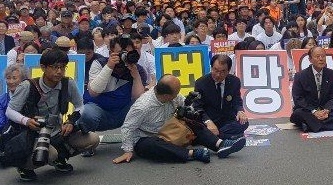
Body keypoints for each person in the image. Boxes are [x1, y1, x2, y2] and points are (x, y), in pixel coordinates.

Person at [5, 48, 99, 181]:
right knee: (50, 154)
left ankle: (59, 160)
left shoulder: (68, 83)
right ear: (43, 67)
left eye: (62, 67)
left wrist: (71, 121)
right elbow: (10, 111)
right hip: (34, 135)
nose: (59, 71)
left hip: (58, 132)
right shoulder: (28, 86)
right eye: (55, 67)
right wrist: (26, 121)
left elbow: (80, 106)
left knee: (93, 140)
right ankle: (24, 166)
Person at [113, 75, 246, 164]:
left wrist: (191, 109)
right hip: (148, 136)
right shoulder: (142, 106)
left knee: (193, 121)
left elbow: (184, 103)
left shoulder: (171, 95)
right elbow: (128, 127)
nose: (178, 95)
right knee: (149, 145)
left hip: (171, 129)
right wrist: (127, 150)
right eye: (176, 93)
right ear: (166, 95)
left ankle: (220, 145)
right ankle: (192, 154)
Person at [76, 34, 148, 154]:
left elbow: (138, 99)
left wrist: (135, 76)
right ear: (111, 53)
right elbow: (94, 92)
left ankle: (138, 141)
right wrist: (109, 66)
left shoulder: (138, 69)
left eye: (128, 53)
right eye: (121, 53)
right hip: (98, 112)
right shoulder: (99, 63)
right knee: (86, 113)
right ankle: (86, 143)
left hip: (123, 113)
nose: (125, 56)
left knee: (143, 105)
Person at [290, 46, 333, 132]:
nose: (321, 59)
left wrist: (326, 110)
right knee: (298, 113)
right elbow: (298, 99)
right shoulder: (300, 76)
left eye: (323, 56)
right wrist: (314, 111)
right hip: (308, 110)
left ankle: (310, 125)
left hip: (324, 110)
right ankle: (332, 126)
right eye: (317, 57)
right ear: (310, 59)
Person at [193, 55, 249, 139]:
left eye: (223, 71)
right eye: (215, 70)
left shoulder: (235, 81)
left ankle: (215, 137)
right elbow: (197, 106)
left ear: (228, 71)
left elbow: (236, 100)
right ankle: (227, 137)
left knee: (244, 123)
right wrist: (208, 121)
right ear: (211, 68)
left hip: (226, 119)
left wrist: (240, 111)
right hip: (209, 119)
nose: (218, 75)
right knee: (196, 127)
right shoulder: (201, 83)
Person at [0, 64, 27, 130]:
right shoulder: (2, 100)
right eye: (8, 78)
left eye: (14, 78)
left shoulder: (30, 98)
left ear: (23, 80)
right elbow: (1, 124)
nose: (11, 82)